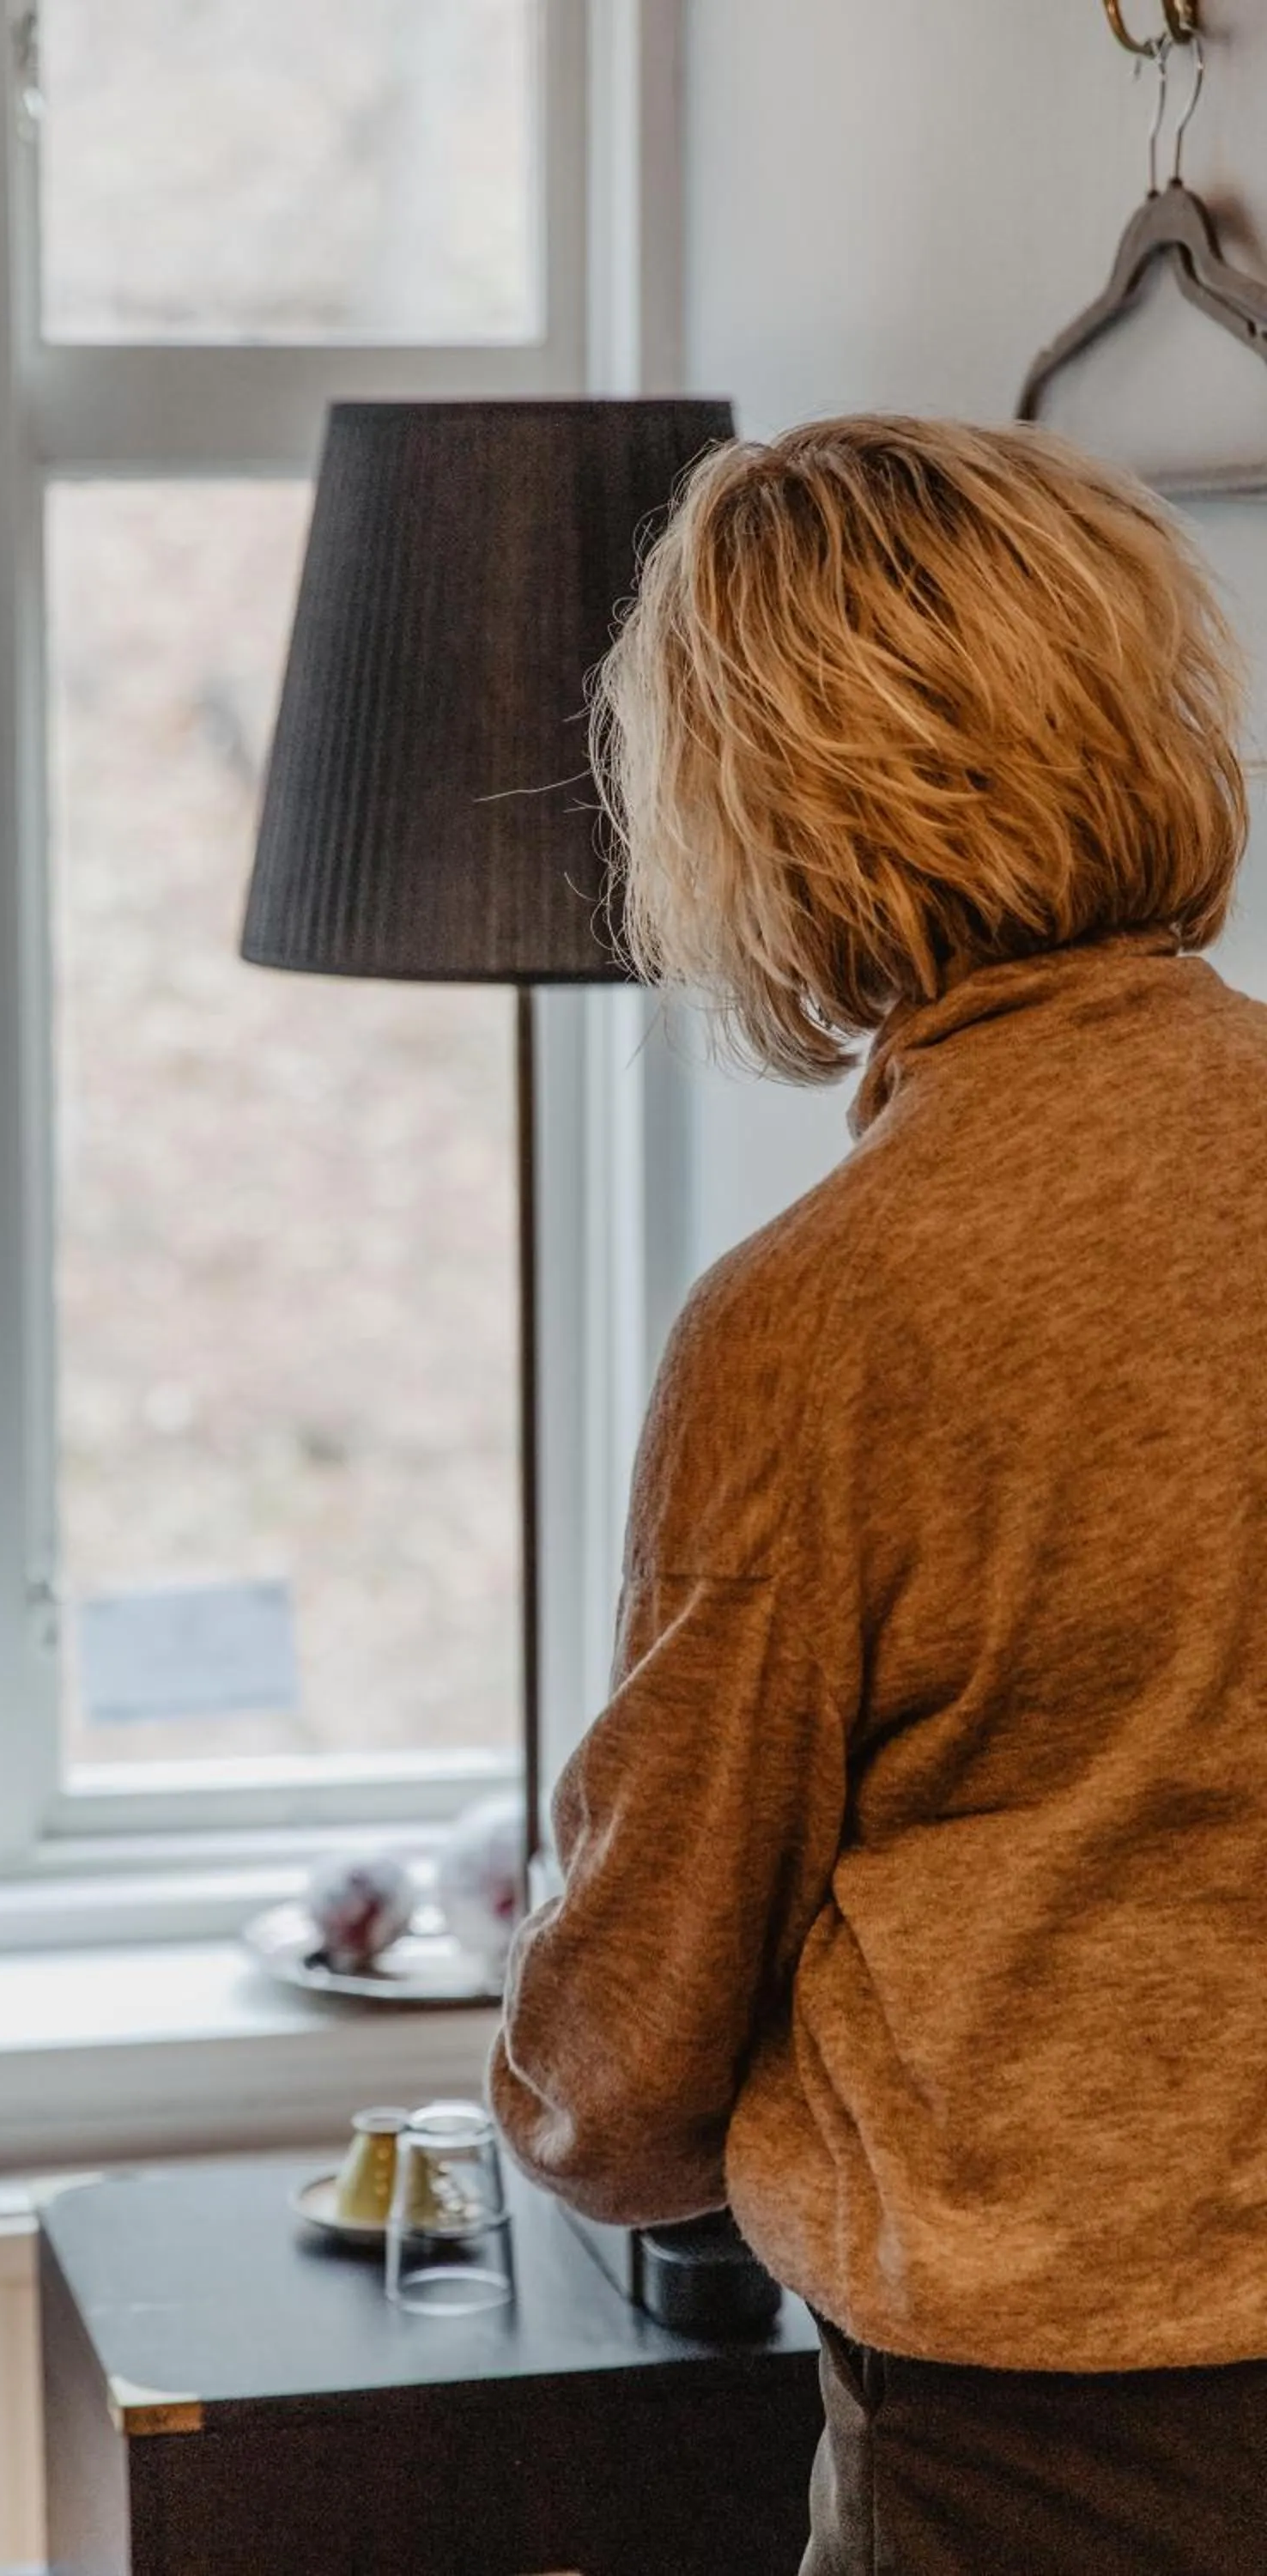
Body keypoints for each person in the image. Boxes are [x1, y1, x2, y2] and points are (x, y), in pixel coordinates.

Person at [484, 414, 1267, 2573]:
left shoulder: (821, 1324)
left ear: (759, 823)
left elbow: (625, 2065)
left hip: (1052, 2441)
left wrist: (557, 2079)